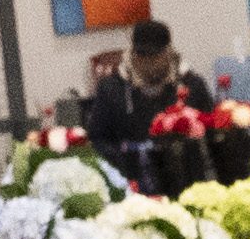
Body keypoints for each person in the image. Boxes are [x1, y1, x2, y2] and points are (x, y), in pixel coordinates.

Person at [91, 15, 213, 176]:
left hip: (186, 175)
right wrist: (125, 158)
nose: (149, 62)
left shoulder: (192, 85)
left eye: (155, 55)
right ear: (133, 53)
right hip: (133, 179)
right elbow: (97, 139)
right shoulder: (111, 89)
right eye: (142, 55)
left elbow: (211, 131)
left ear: (168, 52)